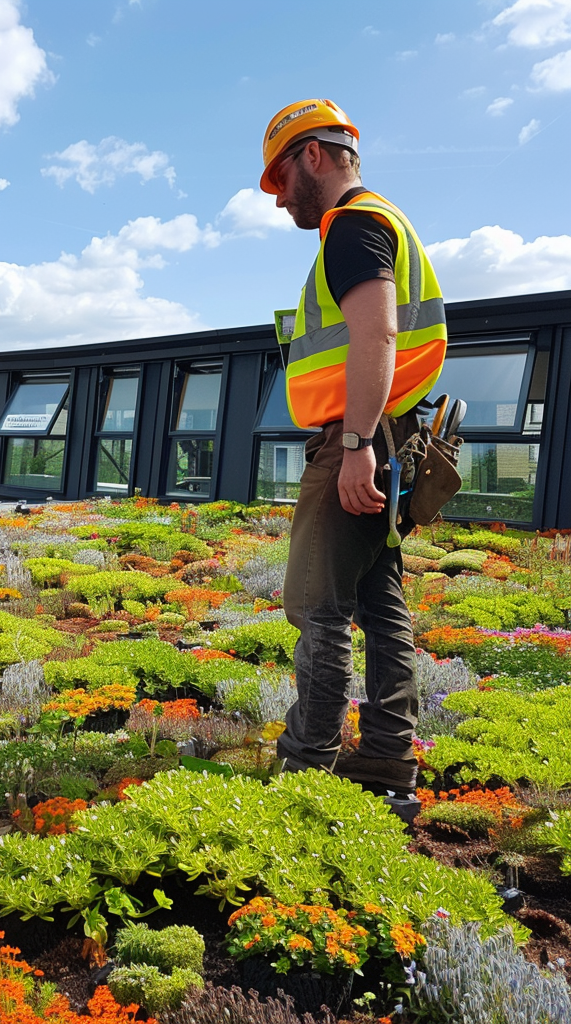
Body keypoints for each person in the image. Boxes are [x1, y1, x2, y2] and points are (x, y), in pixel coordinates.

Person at [259, 99, 447, 800]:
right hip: (390, 435)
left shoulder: (353, 225)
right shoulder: (384, 220)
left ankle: (306, 771)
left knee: (318, 607)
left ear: (314, 154)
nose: (279, 201)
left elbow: (377, 336)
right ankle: (388, 760)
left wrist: (358, 444)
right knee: (378, 599)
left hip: (359, 439)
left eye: (280, 180)